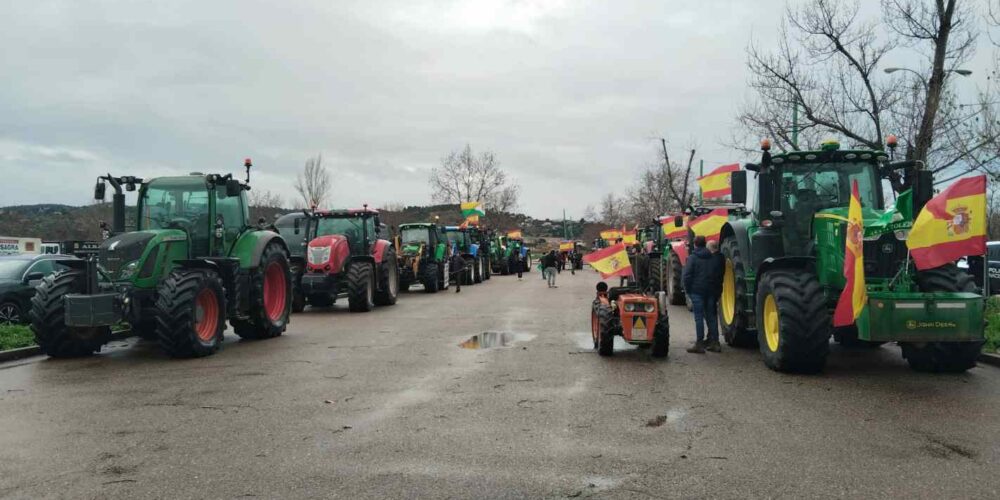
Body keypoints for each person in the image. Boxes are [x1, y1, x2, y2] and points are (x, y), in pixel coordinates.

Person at [682, 236, 724, 353]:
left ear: (695, 244)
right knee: (711, 317)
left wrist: (688, 290)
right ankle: (715, 343)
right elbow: (715, 274)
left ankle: (699, 344)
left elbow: (687, 276)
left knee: (699, 317)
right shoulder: (712, 258)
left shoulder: (692, 258)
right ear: (704, 244)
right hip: (710, 291)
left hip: (696, 291)